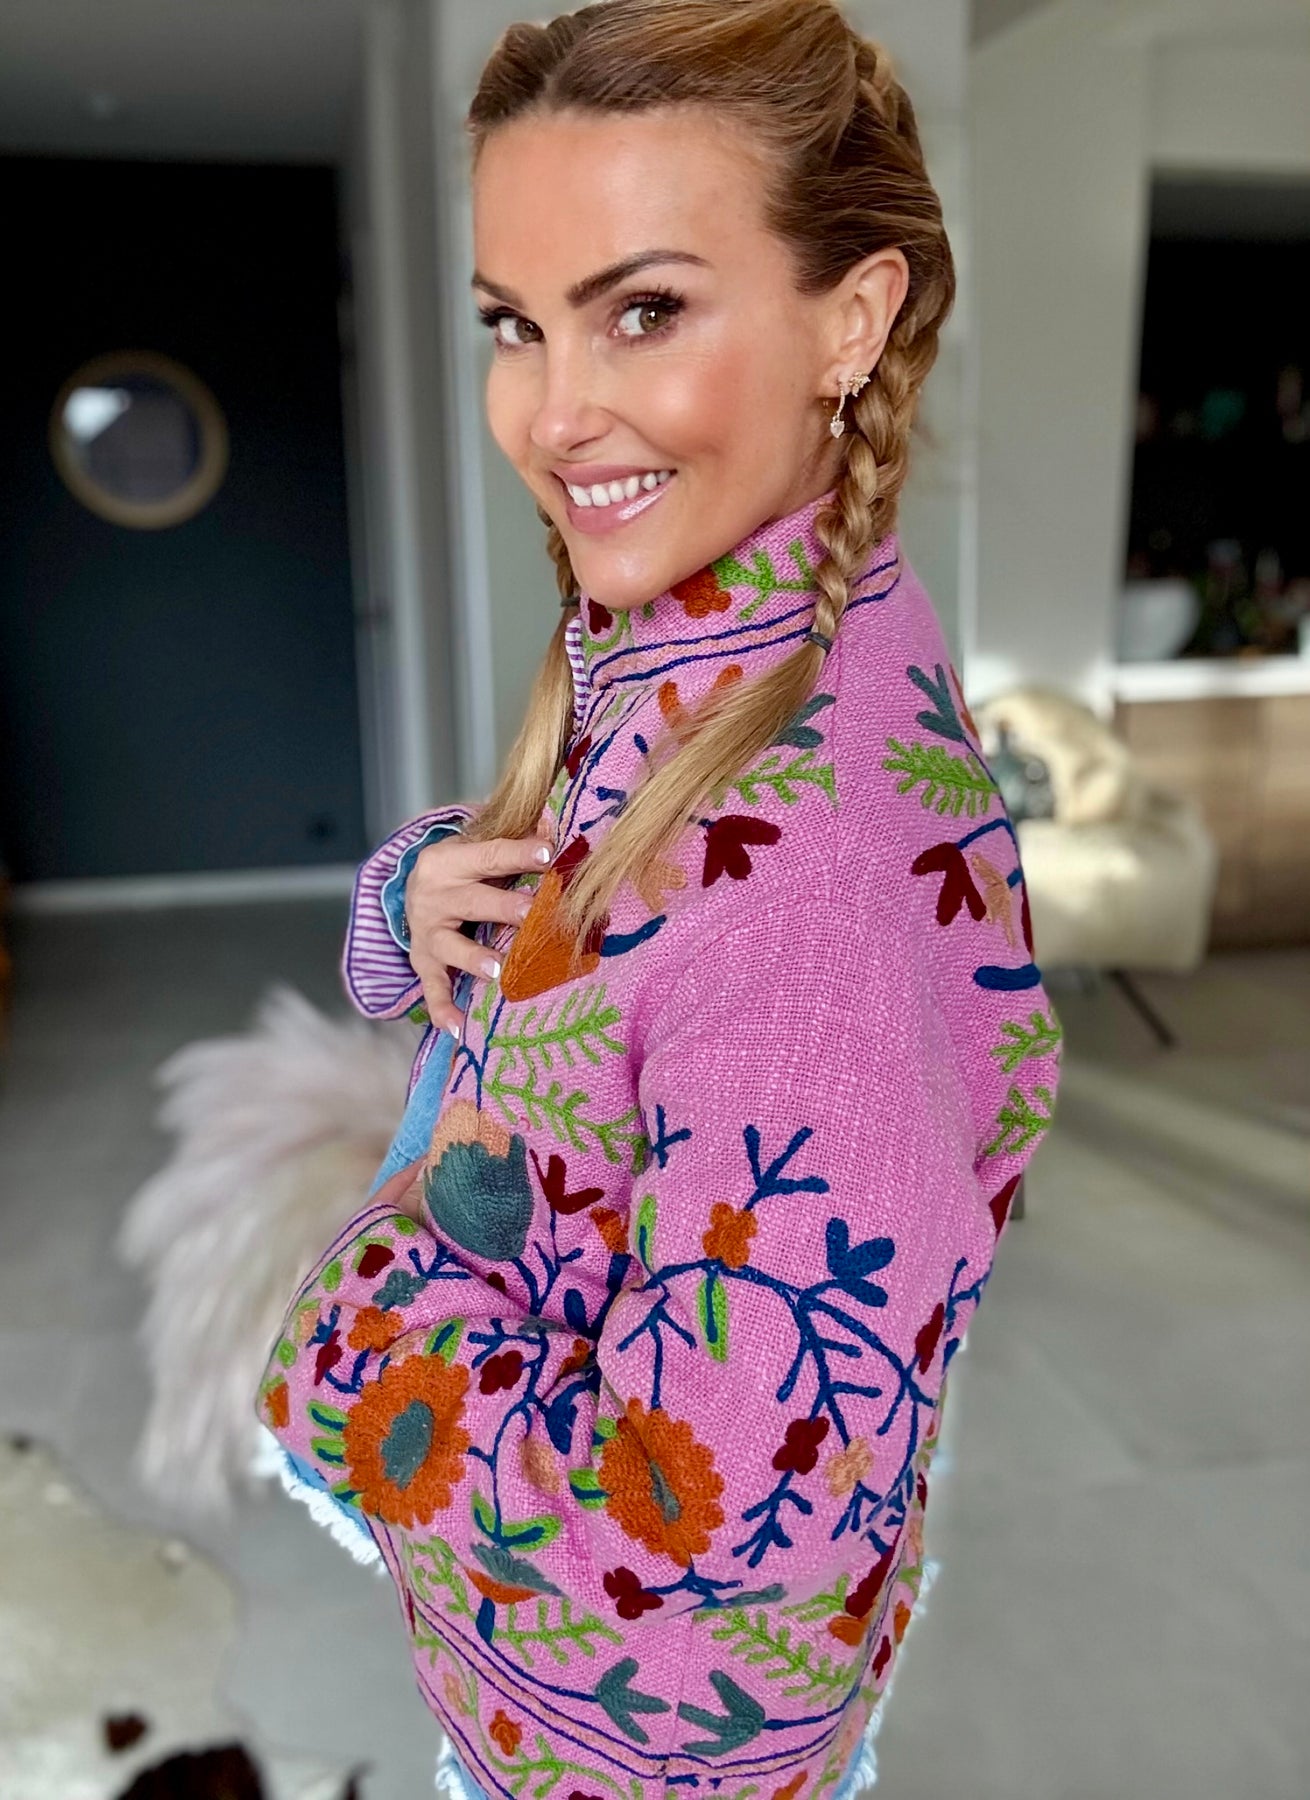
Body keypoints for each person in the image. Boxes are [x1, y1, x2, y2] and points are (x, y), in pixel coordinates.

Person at [254, 3, 1062, 1796]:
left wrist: (343, 1344)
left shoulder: (808, 873)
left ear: (850, 318)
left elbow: (694, 1532)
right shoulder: (711, 643)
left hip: (629, 1754)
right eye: (514, 323)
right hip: (561, 1696)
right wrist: (420, 898)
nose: (552, 414)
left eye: (643, 310)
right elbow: (605, 946)